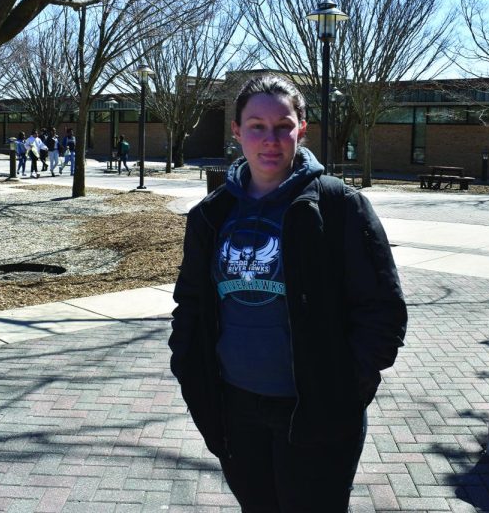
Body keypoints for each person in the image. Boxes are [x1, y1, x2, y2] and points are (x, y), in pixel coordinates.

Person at [169, 75, 407, 512]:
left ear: (303, 128)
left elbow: (382, 310)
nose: (271, 139)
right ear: (236, 131)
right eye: (256, 126)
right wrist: (189, 370)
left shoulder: (337, 206)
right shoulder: (210, 214)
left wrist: (344, 390)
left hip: (315, 411)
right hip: (234, 409)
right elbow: (190, 305)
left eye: (283, 125)